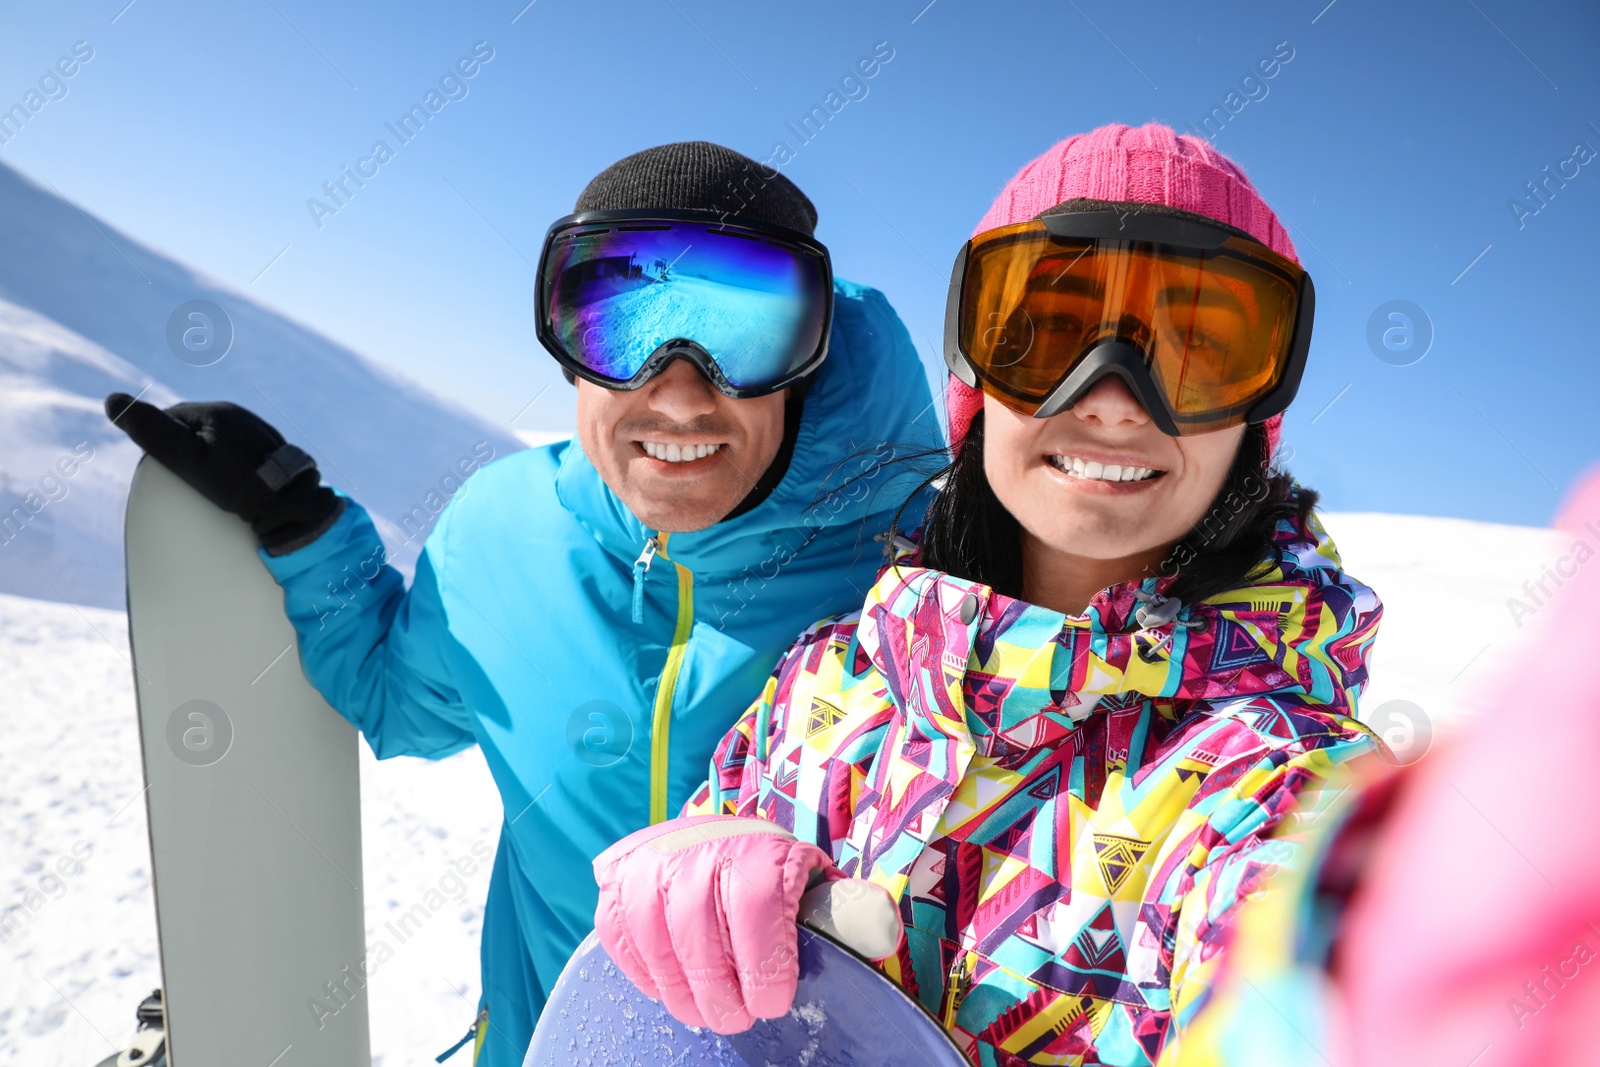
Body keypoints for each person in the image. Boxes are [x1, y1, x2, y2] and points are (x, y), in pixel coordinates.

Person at [105, 141, 936, 1066]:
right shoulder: (502, 533)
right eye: (625, 323)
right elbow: (401, 700)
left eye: (741, 333)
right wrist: (305, 531)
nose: (679, 389)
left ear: (809, 355)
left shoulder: (928, 578)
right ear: (566, 342)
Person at [590, 123, 1385, 1065]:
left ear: (1254, 419)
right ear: (976, 372)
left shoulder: (1279, 788)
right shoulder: (825, 682)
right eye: (1048, 331)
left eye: (1199, 349)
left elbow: (1299, 951)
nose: (1116, 399)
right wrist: (686, 887)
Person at [1169, 465, 1600, 1067]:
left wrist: (1342, 981)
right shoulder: (981, 721)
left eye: (1210, 367)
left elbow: (1275, 850)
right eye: (1035, 363)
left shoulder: (1268, 762)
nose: (1115, 403)